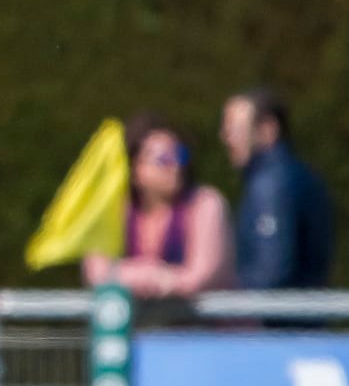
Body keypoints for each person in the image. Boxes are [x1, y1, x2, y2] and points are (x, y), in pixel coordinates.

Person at [83, 116, 235, 299]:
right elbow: (96, 273)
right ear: (135, 169)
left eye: (180, 155)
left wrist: (142, 278)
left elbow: (200, 277)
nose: (176, 165)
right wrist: (149, 274)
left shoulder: (205, 203)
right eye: (163, 158)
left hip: (209, 316)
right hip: (150, 317)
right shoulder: (118, 210)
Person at [219, 88, 334, 290]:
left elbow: (271, 272)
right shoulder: (295, 175)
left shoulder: (272, 184)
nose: (226, 138)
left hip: (282, 309)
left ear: (268, 129)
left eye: (234, 129)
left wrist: (228, 298)